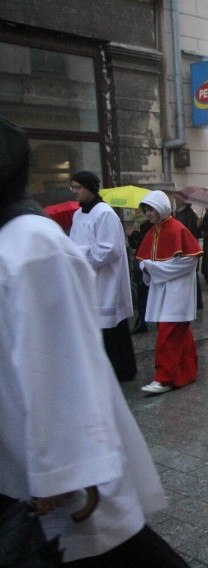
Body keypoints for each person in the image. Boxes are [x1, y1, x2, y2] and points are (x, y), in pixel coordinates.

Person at [0, 118, 188, 567]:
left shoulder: (32, 245)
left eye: (79, 188)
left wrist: (65, 470)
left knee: (111, 550)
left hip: (66, 485)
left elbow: (59, 362)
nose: (75, 194)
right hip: (25, 460)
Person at [68, 170, 137, 383]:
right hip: (89, 279)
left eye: (77, 187)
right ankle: (102, 370)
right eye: (72, 187)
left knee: (113, 328)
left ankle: (123, 370)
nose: (74, 191)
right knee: (96, 328)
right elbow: (73, 241)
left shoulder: (104, 213)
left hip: (107, 279)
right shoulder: (78, 215)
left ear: (89, 188)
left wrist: (81, 254)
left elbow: (110, 249)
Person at [136, 190, 203, 395]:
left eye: (151, 210)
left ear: (161, 208)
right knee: (180, 334)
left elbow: (189, 262)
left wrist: (154, 268)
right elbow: (144, 262)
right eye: (146, 211)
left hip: (177, 291)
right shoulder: (151, 232)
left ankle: (164, 378)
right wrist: (148, 267)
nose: (148, 214)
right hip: (162, 290)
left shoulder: (177, 229)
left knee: (169, 332)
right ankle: (186, 372)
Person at [173, 191, 204, 309]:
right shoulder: (177, 213)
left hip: (189, 248)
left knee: (193, 275)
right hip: (180, 248)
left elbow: (192, 232)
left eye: (178, 198)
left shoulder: (190, 214)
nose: (176, 200)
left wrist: (198, 226)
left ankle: (197, 302)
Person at [126, 215, 153, 334]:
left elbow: (148, 241)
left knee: (146, 294)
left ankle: (143, 321)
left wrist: (135, 233)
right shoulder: (140, 224)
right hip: (140, 262)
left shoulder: (153, 224)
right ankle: (141, 321)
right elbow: (136, 244)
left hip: (149, 263)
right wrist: (130, 235)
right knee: (142, 295)